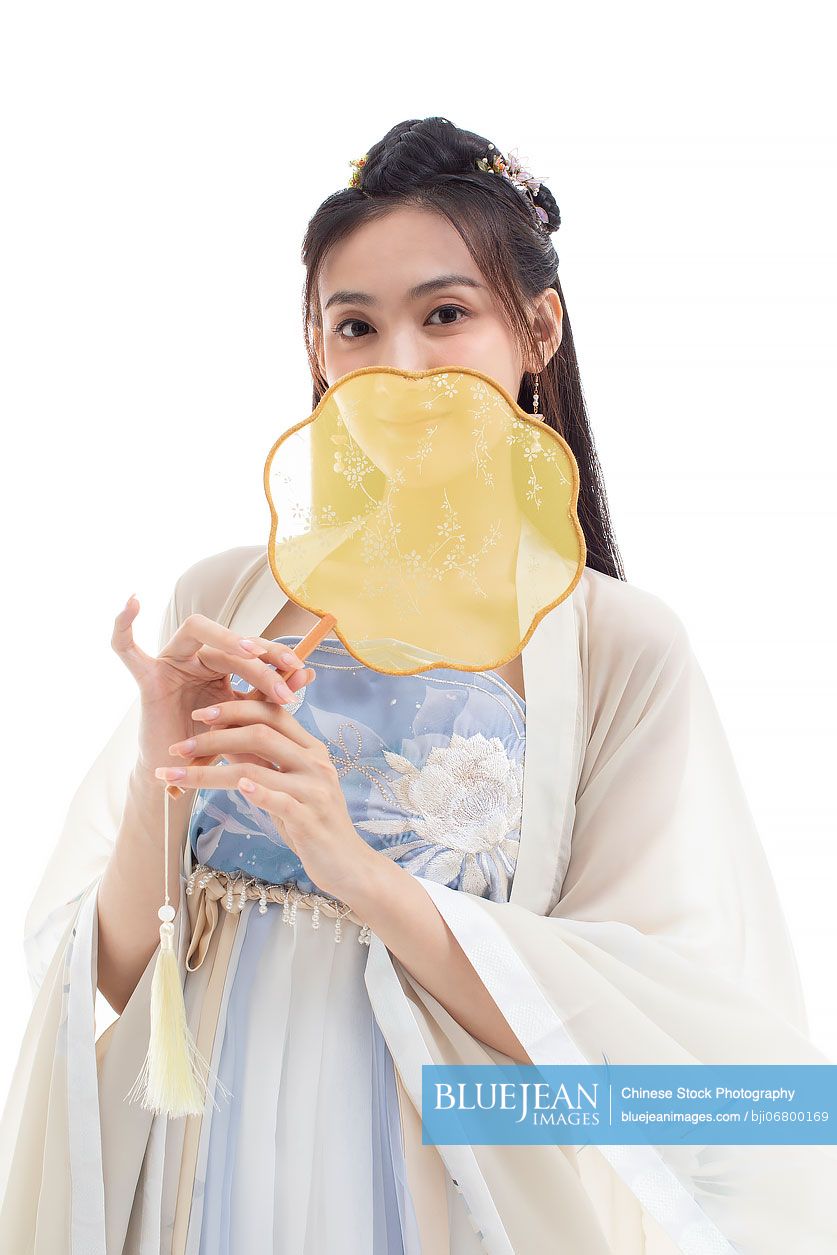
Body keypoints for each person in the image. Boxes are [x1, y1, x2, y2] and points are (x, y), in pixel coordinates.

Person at [1, 115, 834, 1254]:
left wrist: (349, 863)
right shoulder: (233, 595)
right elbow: (116, 975)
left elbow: (630, 1040)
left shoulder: (621, 648)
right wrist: (163, 758)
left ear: (537, 327)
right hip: (198, 1167)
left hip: (427, 1177)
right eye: (356, 325)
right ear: (317, 350)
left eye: (446, 314)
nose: (399, 367)